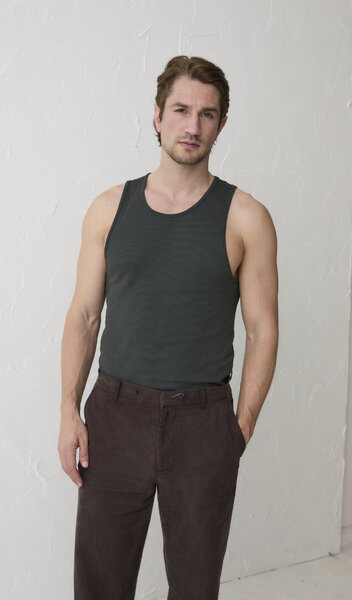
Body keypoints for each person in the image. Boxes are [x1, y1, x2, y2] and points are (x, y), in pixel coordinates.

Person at [58, 55, 278, 600]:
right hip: (114, 417)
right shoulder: (109, 208)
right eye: (180, 110)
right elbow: (84, 315)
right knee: (100, 585)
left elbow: (262, 330)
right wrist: (68, 410)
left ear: (221, 124)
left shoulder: (246, 217)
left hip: (203, 424)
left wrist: (239, 428)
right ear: (157, 116)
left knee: (195, 587)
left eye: (207, 114)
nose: (192, 125)